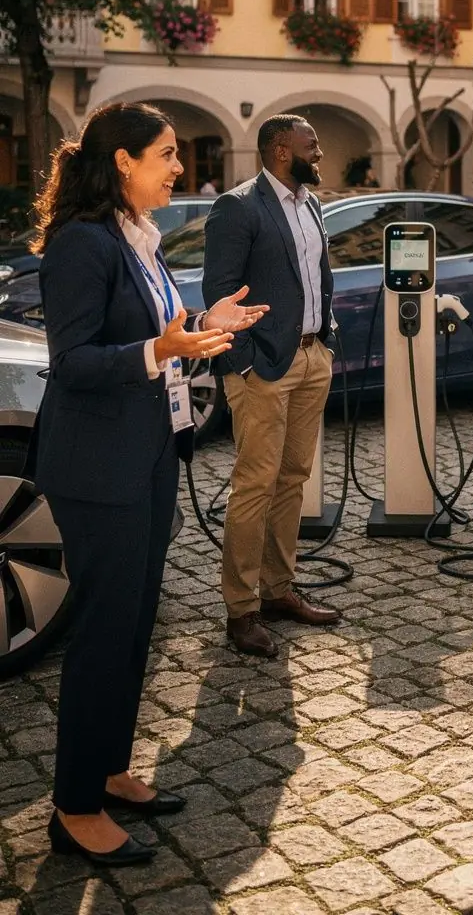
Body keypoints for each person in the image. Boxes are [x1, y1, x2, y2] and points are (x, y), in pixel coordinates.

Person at [33, 102, 266, 867]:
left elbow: (155, 330)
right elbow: (72, 363)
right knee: (104, 631)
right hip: (98, 468)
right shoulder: (82, 244)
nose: (179, 167)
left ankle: (107, 770)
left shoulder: (139, 239)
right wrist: (158, 348)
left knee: (136, 626)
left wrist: (201, 319)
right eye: (166, 155)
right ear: (123, 162)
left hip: (148, 456)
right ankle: (73, 809)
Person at [203, 114, 340, 658]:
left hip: (312, 360)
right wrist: (246, 364)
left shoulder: (310, 203)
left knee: (293, 479)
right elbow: (218, 298)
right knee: (255, 483)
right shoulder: (237, 207)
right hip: (264, 368)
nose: (320, 152)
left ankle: (279, 589)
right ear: (283, 150)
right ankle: (241, 609)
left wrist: (325, 338)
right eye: (313, 144)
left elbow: (317, 280)